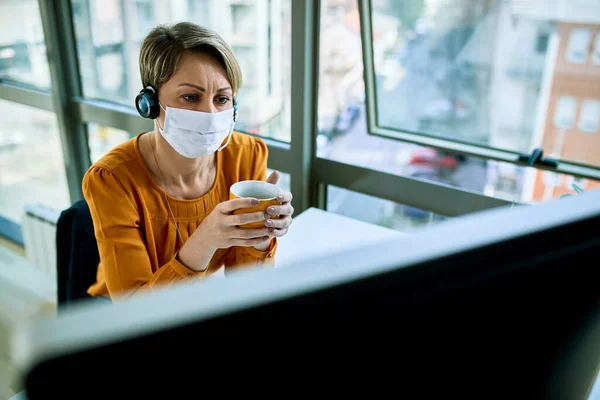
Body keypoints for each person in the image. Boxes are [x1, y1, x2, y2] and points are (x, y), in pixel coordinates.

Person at [82, 22, 294, 300]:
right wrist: (205, 239)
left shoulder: (247, 154)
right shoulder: (111, 179)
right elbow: (134, 309)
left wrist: (262, 233)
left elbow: (245, 282)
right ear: (150, 103)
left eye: (222, 99)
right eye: (190, 97)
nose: (208, 113)